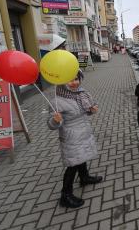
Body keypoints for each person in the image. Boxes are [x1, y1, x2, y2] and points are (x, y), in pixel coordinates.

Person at [48, 71, 102, 208]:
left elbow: (83, 111)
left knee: (81, 158)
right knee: (73, 165)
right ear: (61, 83)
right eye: (70, 80)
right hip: (71, 136)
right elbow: (51, 125)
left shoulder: (80, 94)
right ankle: (65, 195)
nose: (74, 83)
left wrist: (91, 110)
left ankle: (84, 177)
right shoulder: (57, 101)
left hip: (83, 131)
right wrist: (55, 120)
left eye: (76, 79)